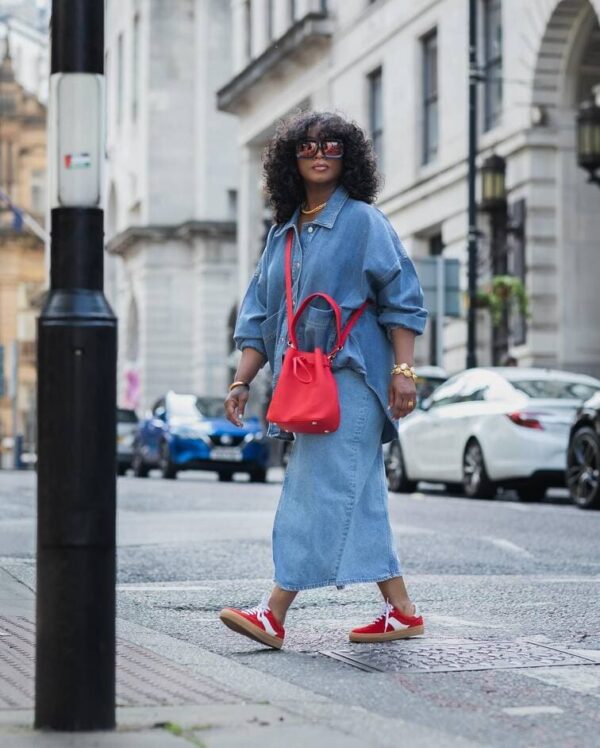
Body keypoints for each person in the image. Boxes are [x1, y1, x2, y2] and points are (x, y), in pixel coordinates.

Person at [219, 111, 428, 650]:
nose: (319, 153)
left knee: (314, 489)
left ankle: (273, 611)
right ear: (290, 159)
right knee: (359, 496)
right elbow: (261, 315)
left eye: (332, 145)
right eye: (308, 145)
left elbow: (401, 298)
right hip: (304, 380)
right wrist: (242, 381)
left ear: (348, 157)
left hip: (353, 378)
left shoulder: (362, 221)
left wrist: (404, 371)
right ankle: (401, 610)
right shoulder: (283, 233)